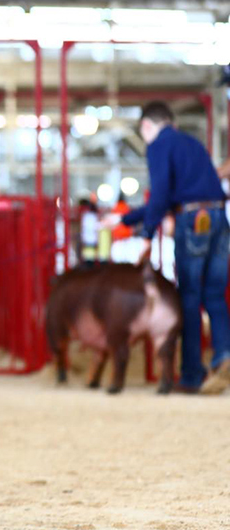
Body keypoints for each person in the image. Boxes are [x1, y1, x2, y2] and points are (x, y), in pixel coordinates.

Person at [101, 101, 230, 394]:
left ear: (147, 125)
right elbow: (167, 198)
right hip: (219, 218)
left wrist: (146, 234)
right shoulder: (193, 144)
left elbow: (160, 194)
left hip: (192, 219)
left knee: (189, 296)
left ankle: (191, 375)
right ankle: (224, 356)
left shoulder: (159, 145)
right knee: (214, 295)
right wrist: (125, 218)